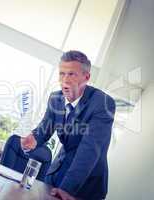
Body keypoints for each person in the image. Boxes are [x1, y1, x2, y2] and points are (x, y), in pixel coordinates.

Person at [20, 50, 116, 200]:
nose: (65, 79)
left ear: (86, 77)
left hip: (85, 186)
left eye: (71, 74)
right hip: (56, 174)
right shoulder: (55, 99)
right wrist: (34, 139)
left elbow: (89, 150)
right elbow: (45, 128)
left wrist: (67, 189)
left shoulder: (102, 103)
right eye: (62, 73)